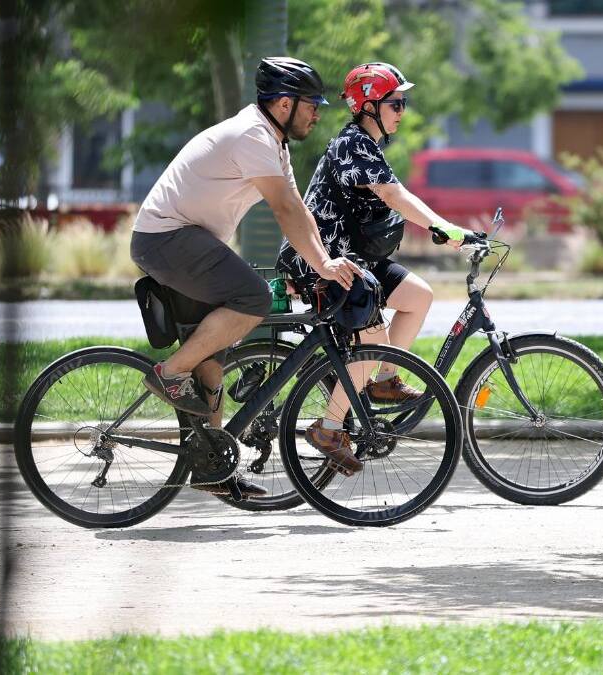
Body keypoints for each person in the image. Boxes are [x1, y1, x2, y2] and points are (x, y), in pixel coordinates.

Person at [130, 57, 363, 489]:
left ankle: (211, 468)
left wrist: (325, 262)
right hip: (168, 238)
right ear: (282, 104)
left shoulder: (274, 143)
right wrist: (323, 266)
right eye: (311, 104)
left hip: (186, 240)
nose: (317, 112)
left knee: (212, 362)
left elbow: (298, 210)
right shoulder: (253, 135)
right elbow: (283, 210)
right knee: (254, 298)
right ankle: (169, 373)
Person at [275, 62, 476, 474]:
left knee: (418, 297)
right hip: (323, 262)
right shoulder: (352, 145)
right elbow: (393, 193)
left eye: (404, 102)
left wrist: (440, 228)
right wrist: (443, 226)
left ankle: (383, 380)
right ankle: (329, 428)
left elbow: (391, 199)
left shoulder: (369, 145)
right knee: (375, 337)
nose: (402, 110)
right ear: (368, 107)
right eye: (395, 102)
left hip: (357, 261)